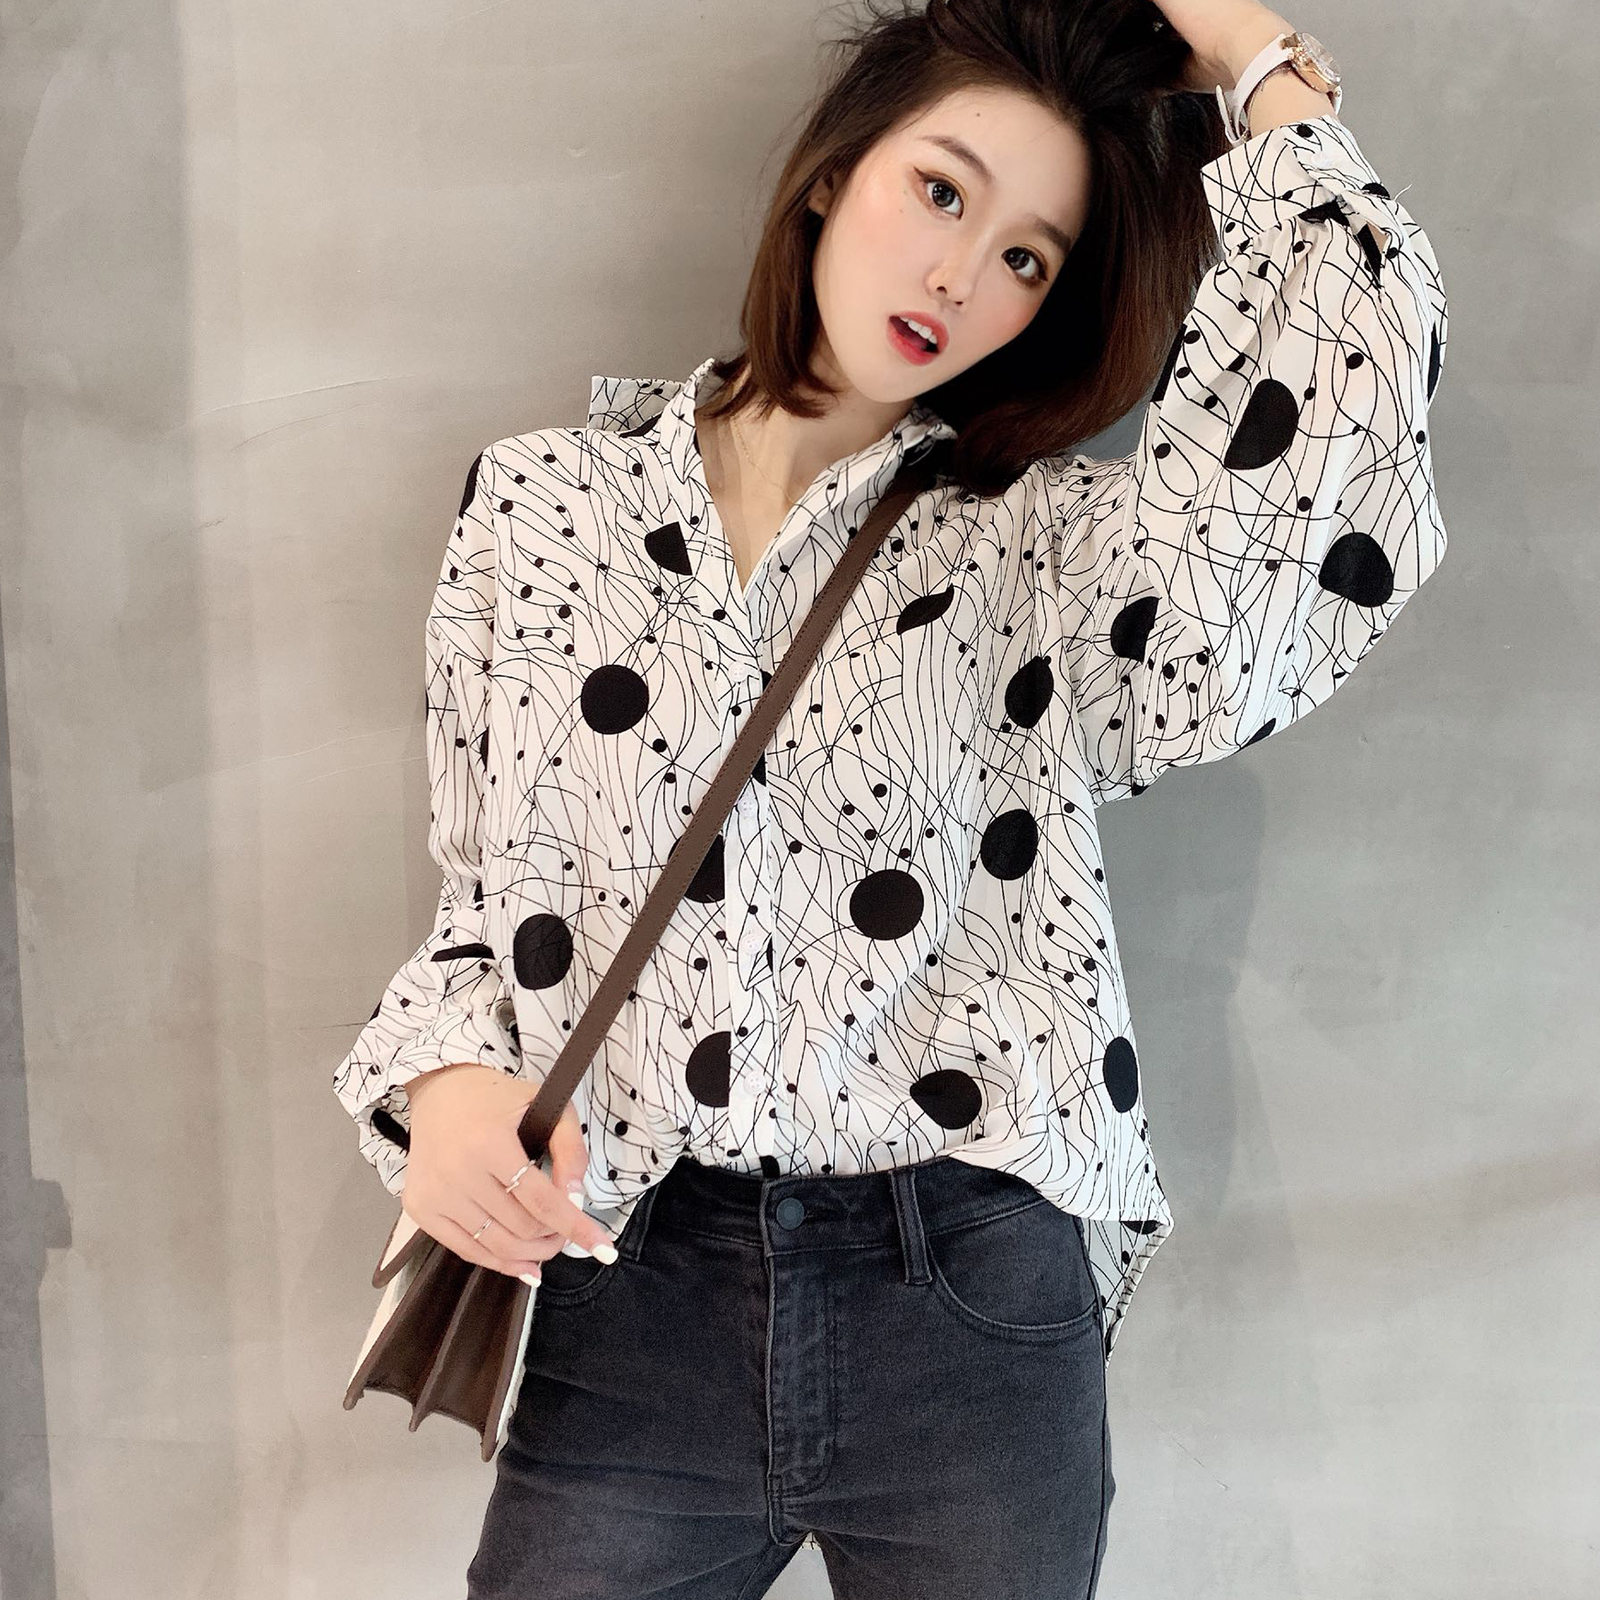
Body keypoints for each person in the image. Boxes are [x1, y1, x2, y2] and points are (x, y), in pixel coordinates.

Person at [331, 0, 1449, 1593]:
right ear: (831, 176)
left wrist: (1254, 60)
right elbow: (486, 897)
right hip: (633, 1281)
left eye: (1025, 258)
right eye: (940, 192)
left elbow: (1321, 496)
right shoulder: (540, 506)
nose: (958, 275)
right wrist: (444, 1090)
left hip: (963, 1301)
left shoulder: (1048, 548)